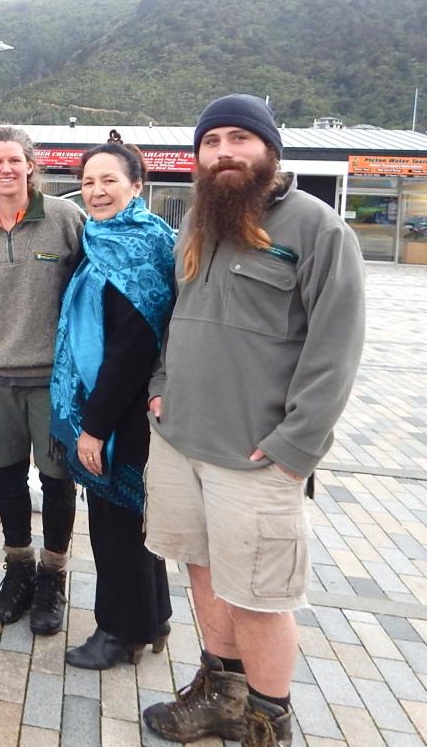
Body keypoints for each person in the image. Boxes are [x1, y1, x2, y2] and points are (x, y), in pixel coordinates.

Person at [141, 95, 365, 747]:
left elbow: (337, 346)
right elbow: (175, 321)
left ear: (270, 150)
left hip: (259, 456)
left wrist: (298, 444)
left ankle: (268, 722)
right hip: (180, 442)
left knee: (261, 596)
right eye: (211, 142)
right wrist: (159, 386)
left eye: (240, 138)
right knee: (204, 571)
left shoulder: (318, 230)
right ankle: (221, 694)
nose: (224, 152)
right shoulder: (196, 225)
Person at [49, 139, 175, 669]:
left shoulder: (141, 245)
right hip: (108, 404)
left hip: (122, 413)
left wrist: (93, 428)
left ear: (137, 186)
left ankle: (119, 632)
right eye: (91, 181)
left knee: (114, 525)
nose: (97, 191)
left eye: (110, 181)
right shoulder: (100, 237)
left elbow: (130, 349)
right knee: (132, 521)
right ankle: (155, 618)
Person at [0, 125, 84, 633]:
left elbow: (89, 290)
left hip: (54, 380)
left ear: (31, 165)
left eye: (14, 160)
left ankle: (53, 577)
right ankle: (18, 571)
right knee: (6, 478)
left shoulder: (64, 219)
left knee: (56, 480)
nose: (5, 170)